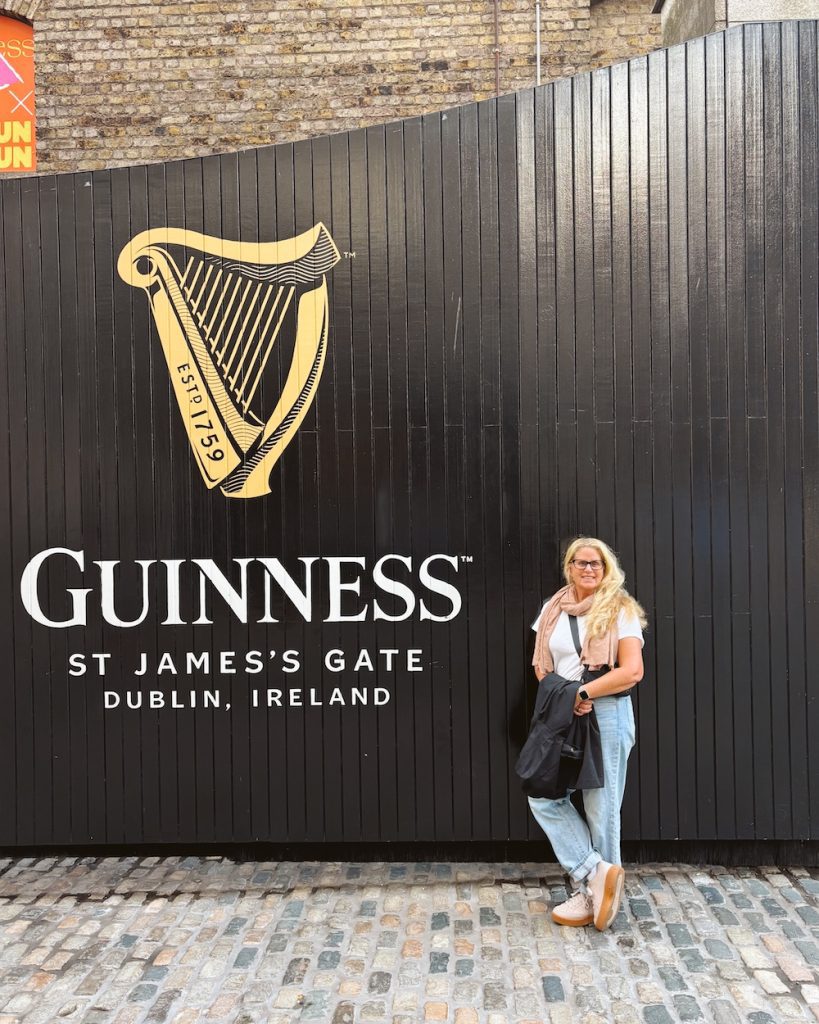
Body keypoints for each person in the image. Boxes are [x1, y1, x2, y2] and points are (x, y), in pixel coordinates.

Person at [528, 537, 646, 931]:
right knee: (543, 794)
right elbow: (543, 666)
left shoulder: (620, 609)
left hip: (607, 712)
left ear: (606, 568)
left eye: (596, 564)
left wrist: (582, 692)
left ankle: (596, 897)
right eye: (581, 563)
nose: (588, 569)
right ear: (569, 566)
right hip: (563, 714)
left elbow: (631, 671)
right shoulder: (551, 609)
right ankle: (595, 874)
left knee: (601, 804)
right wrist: (564, 698)